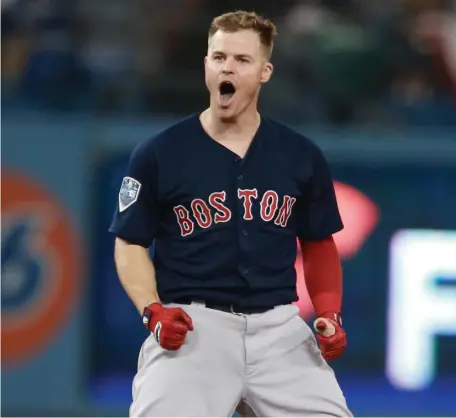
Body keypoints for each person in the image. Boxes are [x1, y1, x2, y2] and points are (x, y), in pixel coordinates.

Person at [109, 10, 352, 417]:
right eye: (219, 57)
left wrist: (328, 312)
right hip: (193, 330)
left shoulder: (299, 155)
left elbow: (318, 241)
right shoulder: (159, 152)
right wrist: (153, 311)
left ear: (264, 72)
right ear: (206, 64)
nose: (228, 67)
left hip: (280, 332)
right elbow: (130, 241)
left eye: (242, 60)